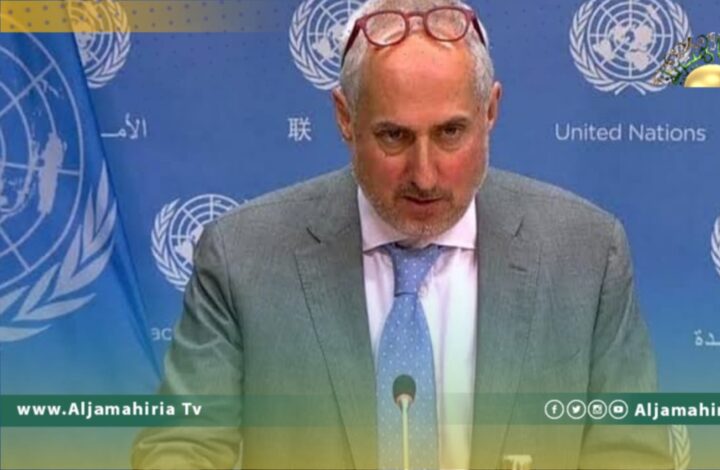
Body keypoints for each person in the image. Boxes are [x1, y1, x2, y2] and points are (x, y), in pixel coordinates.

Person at [133, 0, 672, 468]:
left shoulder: (586, 254)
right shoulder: (243, 256)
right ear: (345, 118)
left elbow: (632, 454)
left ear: (490, 111)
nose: (425, 175)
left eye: (451, 132)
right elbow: (181, 447)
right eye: (394, 136)